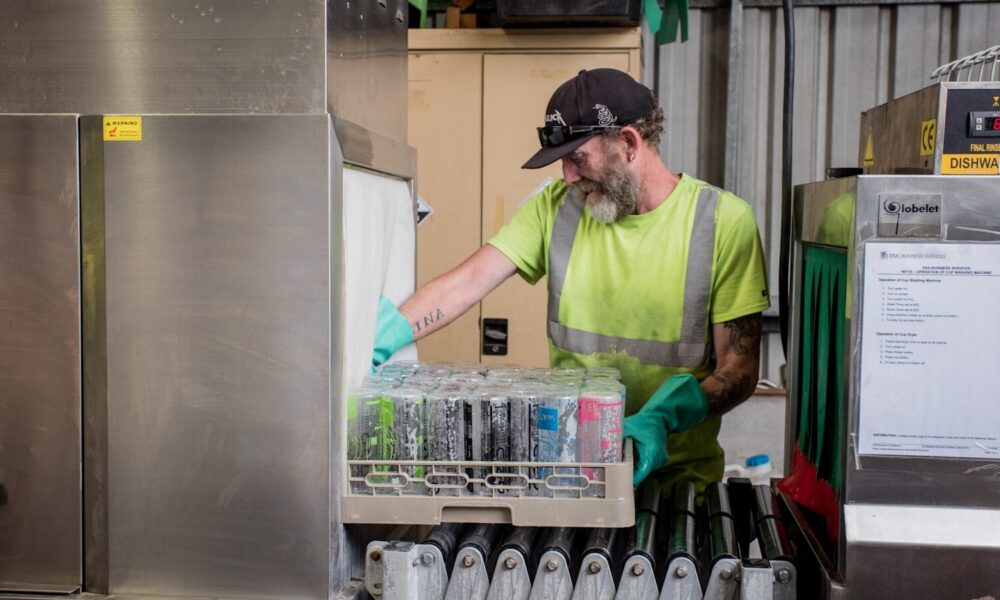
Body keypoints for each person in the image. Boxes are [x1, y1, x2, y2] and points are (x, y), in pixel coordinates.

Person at [373, 68, 769, 491]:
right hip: (573, 475)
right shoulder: (557, 207)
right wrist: (377, 339)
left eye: (577, 158)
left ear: (629, 143)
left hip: (679, 481)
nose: (568, 176)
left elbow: (739, 369)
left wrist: (663, 418)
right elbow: (467, 282)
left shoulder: (723, 222)